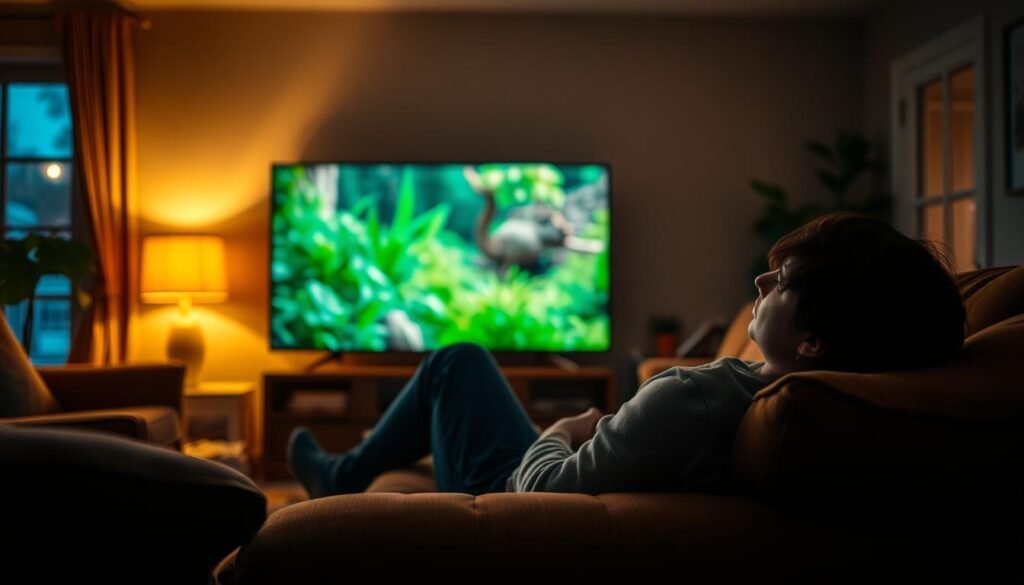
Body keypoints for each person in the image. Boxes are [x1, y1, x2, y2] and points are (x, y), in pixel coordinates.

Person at [287, 212, 966, 498]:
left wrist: (561, 428)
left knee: (455, 360)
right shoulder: (808, 399)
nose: (761, 281)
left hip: (512, 494)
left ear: (814, 340)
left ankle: (340, 478)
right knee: (458, 366)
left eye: (782, 281)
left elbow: (544, 494)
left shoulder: (697, 398)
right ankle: (346, 471)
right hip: (583, 471)